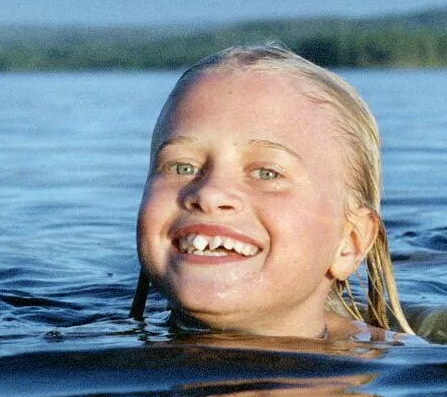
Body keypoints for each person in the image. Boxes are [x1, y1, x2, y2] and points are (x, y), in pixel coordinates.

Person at [131, 44, 412, 340]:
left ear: (350, 243)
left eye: (267, 173)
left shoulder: (415, 374)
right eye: (182, 167)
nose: (210, 193)